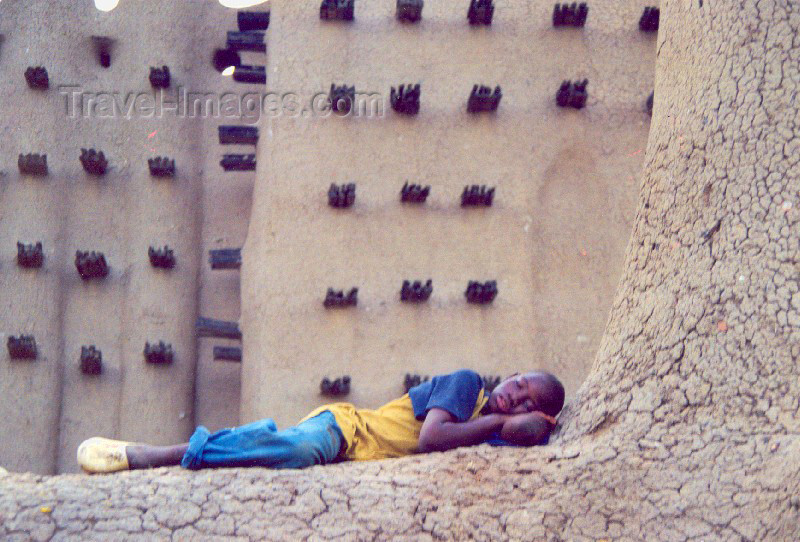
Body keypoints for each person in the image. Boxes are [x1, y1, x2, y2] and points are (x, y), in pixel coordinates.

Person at [77, 369, 565, 473]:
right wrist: (501, 425)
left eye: (525, 400)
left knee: (288, 453)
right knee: (297, 449)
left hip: (353, 460)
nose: (513, 395)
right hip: (345, 428)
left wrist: (531, 423)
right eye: (520, 382)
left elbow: (526, 434)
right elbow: (434, 437)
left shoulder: (495, 433)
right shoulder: (468, 385)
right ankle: (156, 454)